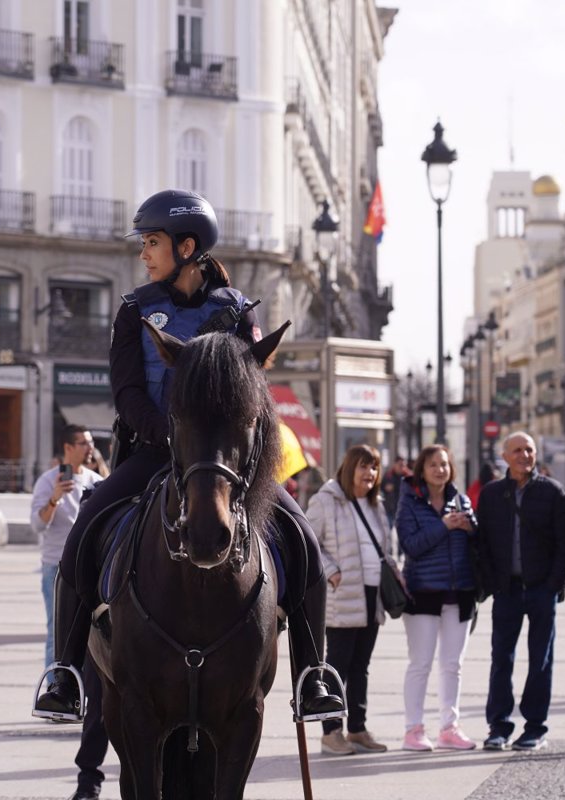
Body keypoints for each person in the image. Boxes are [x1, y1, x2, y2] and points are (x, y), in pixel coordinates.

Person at [33, 189, 344, 723]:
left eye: (151, 242)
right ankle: (65, 672)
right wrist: (167, 436)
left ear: (186, 247)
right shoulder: (134, 311)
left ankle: (313, 674)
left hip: (224, 462)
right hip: (154, 452)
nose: (143, 254)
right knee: (83, 535)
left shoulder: (237, 312)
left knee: (303, 545)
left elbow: (254, 392)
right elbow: (127, 393)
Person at [477, 432, 565, 752]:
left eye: (529, 449)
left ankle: (535, 727)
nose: (524, 455)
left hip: (541, 591)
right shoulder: (492, 495)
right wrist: (492, 583)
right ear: (504, 457)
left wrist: (554, 584)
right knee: (501, 659)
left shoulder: (554, 492)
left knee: (540, 661)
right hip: (506, 590)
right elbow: (483, 543)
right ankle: (499, 726)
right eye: (517, 450)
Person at [30, 424, 107, 800]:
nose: (89, 448)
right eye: (83, 443)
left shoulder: (98, 478)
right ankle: (61, 683)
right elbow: (37, 524)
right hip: (57, 563)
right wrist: (55, 501)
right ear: (67, 448)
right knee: (56, 628)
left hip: (95, 561)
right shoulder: (49, 480)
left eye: (93, 443)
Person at [309, 444, 394, 756]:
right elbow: (309, 541)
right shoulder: (326, 501)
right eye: (363, 466)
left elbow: (385, 546)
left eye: (374, 467)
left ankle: (357, 728)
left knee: (361, 667)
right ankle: (331, 732)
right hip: (343, 595)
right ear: (348, 468)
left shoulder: (376, 504)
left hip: (373, 595)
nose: (369, 473)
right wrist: (331, 570)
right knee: (337, 667)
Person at [395, 444, 479, 752]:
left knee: (452, 664)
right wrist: (444, 526)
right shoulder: (410, 502)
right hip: (423, 592)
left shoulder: (461, 499)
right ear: (422, 469)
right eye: (433, 464)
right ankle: (413, 729)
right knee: (421, 663)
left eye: (444, 464)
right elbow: (410, 545)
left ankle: (449, 727)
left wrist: (469, 527)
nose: (440, 469)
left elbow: (476, 538)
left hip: (460, 591)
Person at [381, 455, 411, 531]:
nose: (402, 467)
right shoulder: (388, 475)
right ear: (395, 464)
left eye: (404, 465)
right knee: (388, 532)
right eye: (400, 465)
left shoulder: (409, 476)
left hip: (404, 511)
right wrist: (386, 488)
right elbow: (381, 488)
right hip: (390, 509)